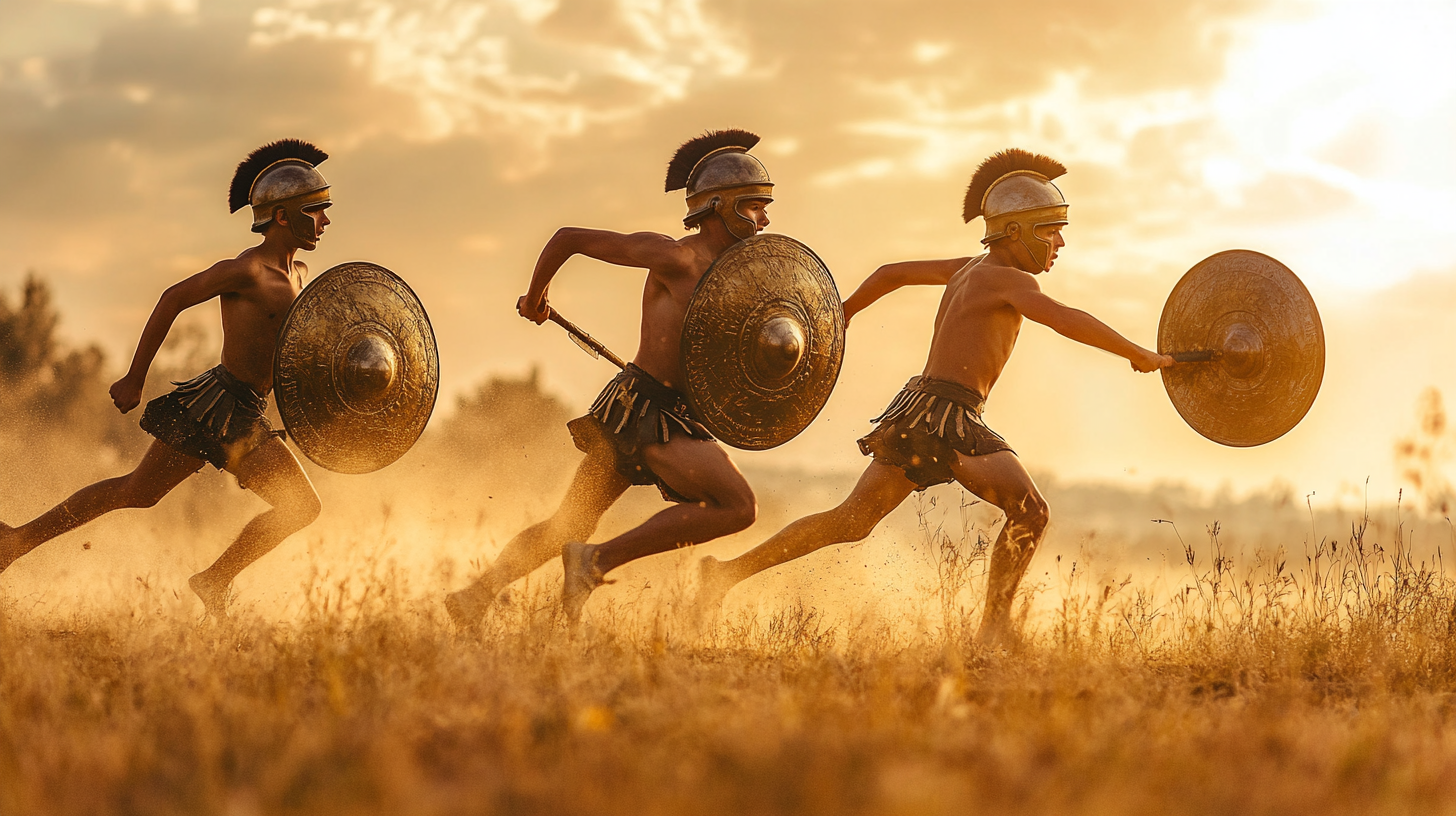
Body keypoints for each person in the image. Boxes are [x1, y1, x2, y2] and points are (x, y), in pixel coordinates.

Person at [694, 148, 1173, 644]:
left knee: (851, 521)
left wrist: (843, 314)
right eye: (1051, 231)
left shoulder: (971, 268)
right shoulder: (1008, 278)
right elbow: (1063, 316)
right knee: (1031, 511)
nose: (1061, 242)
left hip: (920, 410)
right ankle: (994, 628)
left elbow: (890, 273)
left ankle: (726, 573)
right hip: (947, 416)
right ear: (1016, 232)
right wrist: (1134, 352)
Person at [446, 129, 776, 627]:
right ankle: (593, 561)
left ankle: (475, 596)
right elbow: (568, 239)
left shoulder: (741, 273)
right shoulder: (676, 257)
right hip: (645, 411)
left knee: (570, 522)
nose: (765, 218)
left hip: (666, 412)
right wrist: (536, 296)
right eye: (753, 205)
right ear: (716, 205)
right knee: (737, 507)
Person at [0, 139, 333, 619]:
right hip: (213, 408)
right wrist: (135, 377)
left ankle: (214, 580)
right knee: (135, 492)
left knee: (300, 506)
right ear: (282, 217)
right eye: (316, 211)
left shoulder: (302, 276)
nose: (325, 222)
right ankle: (14, 540)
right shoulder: (246, 271)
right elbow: (173, 298)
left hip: (247, 416)